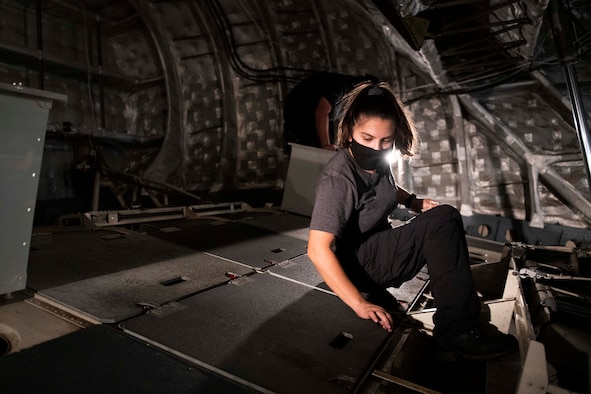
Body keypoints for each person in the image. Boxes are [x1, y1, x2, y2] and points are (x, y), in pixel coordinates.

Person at [307, 81, 518, 360]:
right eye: (367, 138)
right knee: (444, 219)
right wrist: (359, 304)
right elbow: (317, 249)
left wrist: (412, 202)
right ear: (349, 133)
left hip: (377, 246)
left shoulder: (379, 160)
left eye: (385, 141)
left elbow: (384, 189)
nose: (376, 147)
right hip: (358, 265)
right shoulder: (338, 178)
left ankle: (458, 314)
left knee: (439, 215)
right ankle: (456, 331)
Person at [283, 72, 377, 150]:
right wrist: (325, 145)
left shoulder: (349, 104)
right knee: (321, 147)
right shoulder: (340, 86)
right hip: (297, 111)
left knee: (334, 147)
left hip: (308, 117)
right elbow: (321, 112)